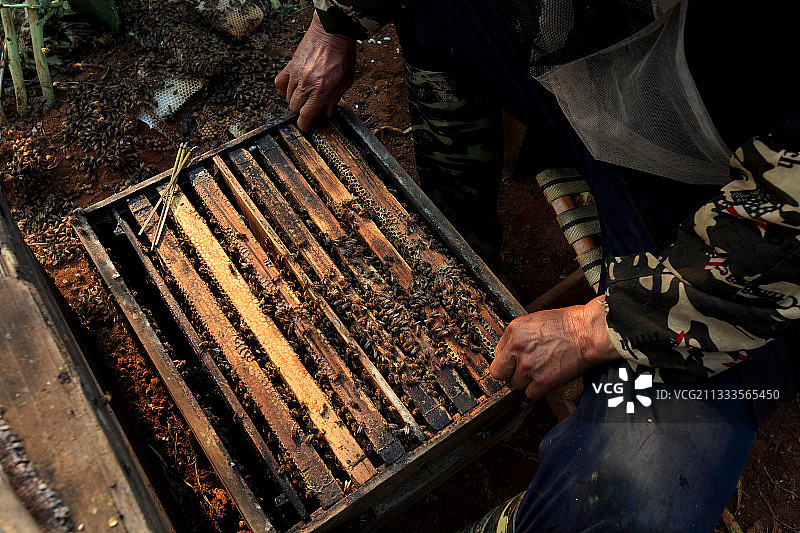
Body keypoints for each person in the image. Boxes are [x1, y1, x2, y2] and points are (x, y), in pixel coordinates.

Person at [276, 2, 800, 531]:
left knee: (631, 500)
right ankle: (460, 241)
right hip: (616, 89)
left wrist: (592, 326)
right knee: (428, 10)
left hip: (735, 239)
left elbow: (781, 238)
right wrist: (334, 21)